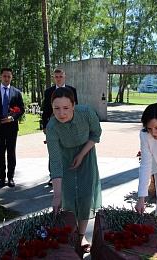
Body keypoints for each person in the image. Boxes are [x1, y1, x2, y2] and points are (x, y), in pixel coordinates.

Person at [46, 87, 101, 253]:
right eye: (56, 108)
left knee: (85, 196)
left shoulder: (86, 113)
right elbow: (55, 162)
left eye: (66, 108)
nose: (61, 113)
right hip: (65, 158)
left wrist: (82, 154)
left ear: (74, 105)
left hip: (86, 154)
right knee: (68, 196)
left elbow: (96, 134)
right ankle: (71, 233)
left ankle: (81, 235)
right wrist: (56, 196)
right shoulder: (52, 128)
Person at [0, 68, 25, 188]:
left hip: (12, 128)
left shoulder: (16, 92)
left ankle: (11, 178)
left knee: (11, 153)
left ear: (11, 77)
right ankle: (2, 178)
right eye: (4, 76)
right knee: (0, 153)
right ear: (0, 77)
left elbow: (22, 110)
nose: (6, 78)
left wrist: (12, 118)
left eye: (9, 76)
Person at [41, 68, 78, 186]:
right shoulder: (48, 92)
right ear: (53, 78)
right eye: (56, 77)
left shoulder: (72, 90)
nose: (58, 79)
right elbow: (45, 110)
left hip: (68, 126)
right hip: (54, 126)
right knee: (54, 151)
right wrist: (44, 126)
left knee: (68, 150)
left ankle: (68, 175)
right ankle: (53, 176)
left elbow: (75, 108)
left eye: (60, 76)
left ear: (65, 77)